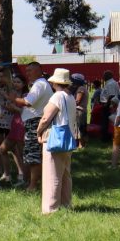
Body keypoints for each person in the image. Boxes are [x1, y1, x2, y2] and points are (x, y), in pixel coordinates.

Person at [36, 69, 77, 214]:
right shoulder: (70, 96)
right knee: (66, 174)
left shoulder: (57, 96)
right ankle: (66, 204)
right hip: (69, 138)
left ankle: (50, 209)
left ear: (54, 82)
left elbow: (46, 118)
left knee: (52, 175)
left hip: (55, 139)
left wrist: (38, 130)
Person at [13, 62, 51, 193]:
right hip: (33, 122)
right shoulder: (40, 84)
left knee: (34, 155)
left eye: (30, 71)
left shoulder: (39, 84)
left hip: (35, 122)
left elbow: (28, 102)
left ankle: (33, 186)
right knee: (31, 154)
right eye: (26, 71)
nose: (27, 74)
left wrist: (15, 98)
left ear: (39, 71)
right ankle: (32, 182)